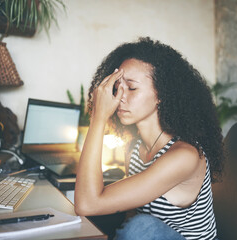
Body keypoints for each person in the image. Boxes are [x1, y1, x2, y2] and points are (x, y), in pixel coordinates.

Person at [74, 37, 224, 240]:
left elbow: (88, 204)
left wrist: (98, 117)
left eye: (132, 88)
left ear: (161, 94)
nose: (119, 97)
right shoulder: (134, 148)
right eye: (117, 87)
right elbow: (124, 210)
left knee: (141, 226)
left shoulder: (184, 156)